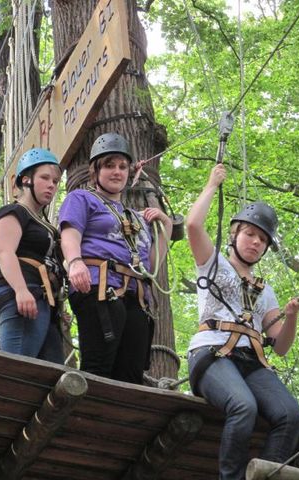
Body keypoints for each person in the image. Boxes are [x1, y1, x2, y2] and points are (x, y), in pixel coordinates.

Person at [186, 163, 299, 479]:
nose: (255, 242)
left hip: (250, 361)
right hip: (211, 354)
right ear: (235, 234)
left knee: (290, 415)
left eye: (262, 240)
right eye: (250, 234)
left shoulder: (266, 291)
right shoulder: (214, 264)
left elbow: (279, 346)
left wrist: (290, 318)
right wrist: (212, 185)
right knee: (244, 407)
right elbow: (194, 226)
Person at [58, 132, 172, 384]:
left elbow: (150, 266)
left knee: (130, 375)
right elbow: (70, 234)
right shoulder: (82, 199)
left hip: (136, 296)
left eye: (122, 166)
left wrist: (166, 227)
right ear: (95, 170)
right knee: (99, 367)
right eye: (109, 165)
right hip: (99, 286)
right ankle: (87, 418)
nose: (117, 172)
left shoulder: (136, 218)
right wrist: (75, 262)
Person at [0, 148, 65, 363]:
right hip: (17, 292)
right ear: (26, 180)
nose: (51, 185)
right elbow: (4, 252)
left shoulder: (44, 225)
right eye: (45, 178)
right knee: (17, 368)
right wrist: (20, 290)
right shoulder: (13, 212)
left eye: (56, 181)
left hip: (40, 299)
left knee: (52, 372)